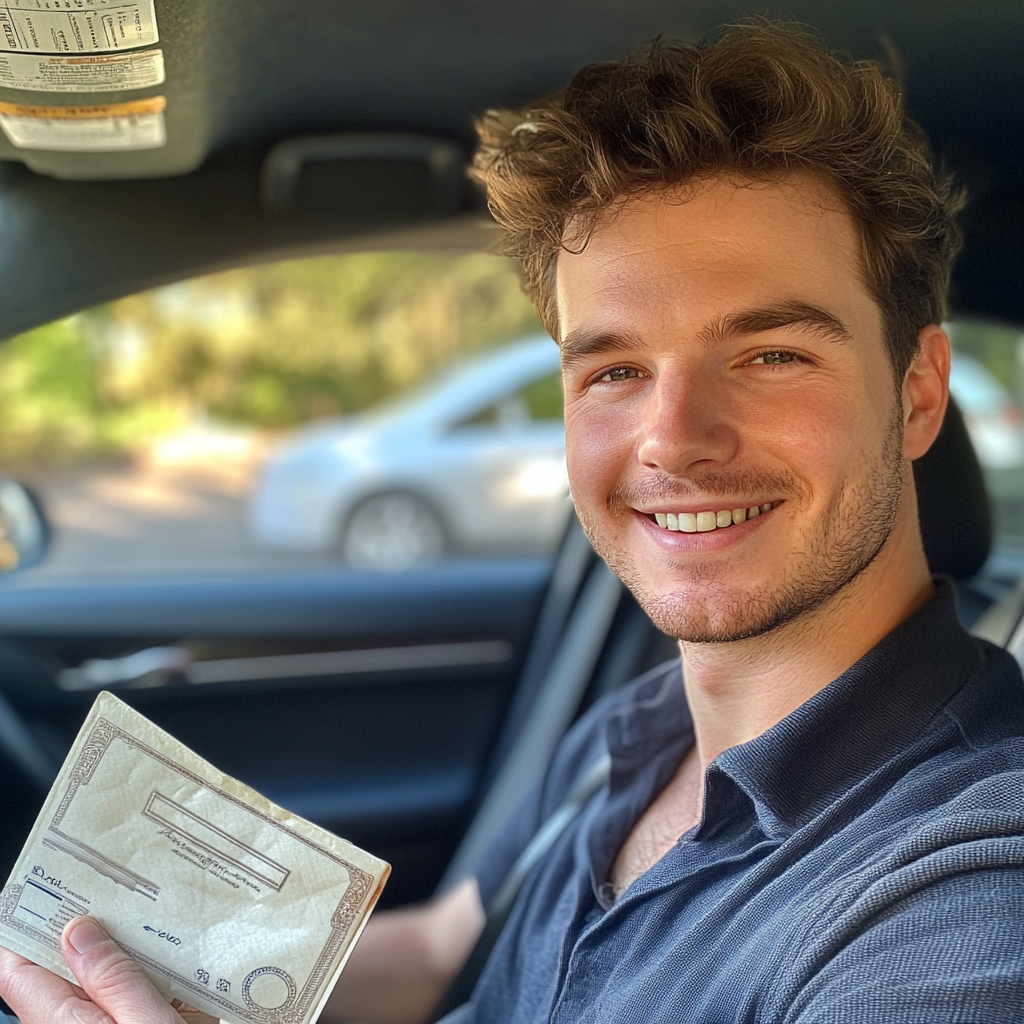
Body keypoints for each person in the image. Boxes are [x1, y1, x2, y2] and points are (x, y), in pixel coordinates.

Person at [2, 20, 1023, 1024]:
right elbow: (440, 952)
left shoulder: (966, 895)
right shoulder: (642, 728)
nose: (671, 439)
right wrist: (134, 965)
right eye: (615, 371)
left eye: (768, 356)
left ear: (918, 392)